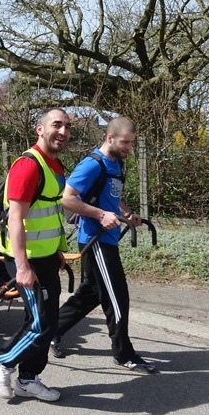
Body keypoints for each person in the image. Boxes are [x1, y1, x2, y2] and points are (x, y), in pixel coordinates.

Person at [51, 117, 156, 374]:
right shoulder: (91, 164)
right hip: (95, 240)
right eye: (125, 142)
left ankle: (50, 331)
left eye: (131, 143)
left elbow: (111, 198)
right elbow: (67, 199)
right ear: (110, 138)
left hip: (106, 239)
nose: (129, 147)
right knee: (117, 297)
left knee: (90, 295)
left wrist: (127, 214)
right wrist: (99, 215)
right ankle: (123, 354)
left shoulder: (116, 164)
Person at [0, 108, 73, 402]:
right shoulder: (28, 165)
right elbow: (16, 219)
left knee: (44, 320)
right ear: (40, 129)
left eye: (67, 127)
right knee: (41, 324)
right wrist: (22, 266)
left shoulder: (55, 165)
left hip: (46, 256)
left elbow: (51, 212)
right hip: (25, 258)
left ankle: (27, 378)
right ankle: (2, 361)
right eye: (56, 125)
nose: (62, 131)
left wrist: (58, 250)